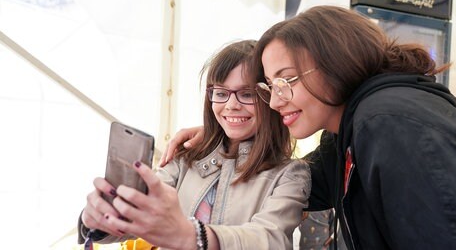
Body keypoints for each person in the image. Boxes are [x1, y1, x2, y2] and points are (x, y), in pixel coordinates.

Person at [160, 6, 456, 250]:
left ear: (334, 64)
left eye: (285, 81)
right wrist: (227, 142)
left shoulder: (388, 123)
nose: (275, 101)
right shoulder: (349, 132)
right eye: (270, 86)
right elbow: (301, 183)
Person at [77, 40, 311, 250]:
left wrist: (192, 236)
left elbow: (269, 239)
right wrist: (98, 220)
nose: (231, 105)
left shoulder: (290, 174)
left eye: (247, 94)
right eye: (220, 93)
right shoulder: (185, 158)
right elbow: (138, 218)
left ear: (270, 96)